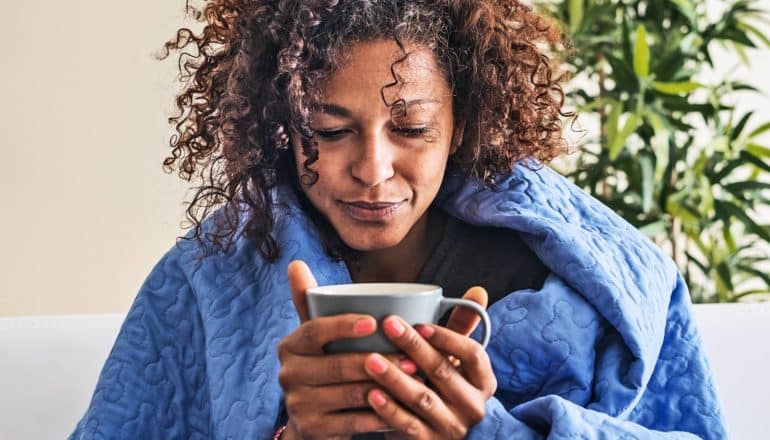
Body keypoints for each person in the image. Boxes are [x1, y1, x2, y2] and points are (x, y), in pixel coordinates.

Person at [71, 1, 726, 439]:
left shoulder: (594, 278)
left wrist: (490, 432)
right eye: (329, 130)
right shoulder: (206, 280)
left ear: (461, 123)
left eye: (410, 127)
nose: (373, 169)